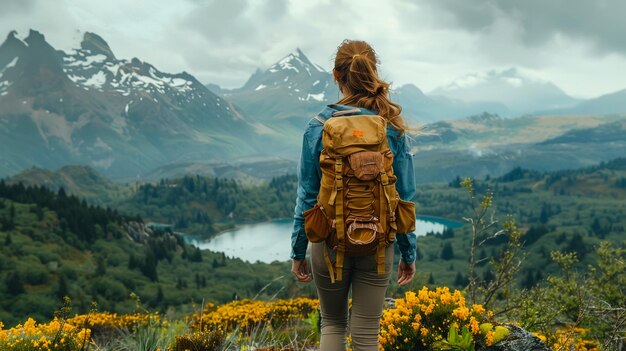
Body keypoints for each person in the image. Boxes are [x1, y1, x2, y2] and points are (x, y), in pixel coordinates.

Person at [290, 39, 417, 351]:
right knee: (366, 336)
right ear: (372, 73)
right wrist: (408, 252)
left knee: (332, 324)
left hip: (329, 241)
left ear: (336, 75)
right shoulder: (390, 126)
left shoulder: (318, 125)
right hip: (378, 244)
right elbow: (404, 195)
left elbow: (307, 195)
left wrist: (298, 249)